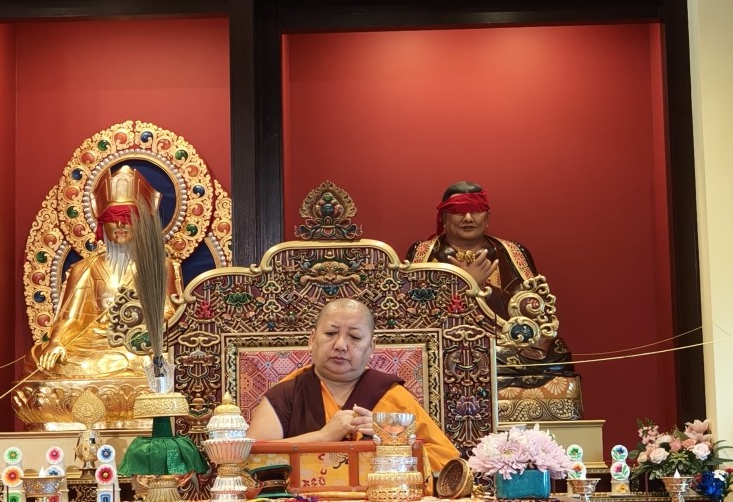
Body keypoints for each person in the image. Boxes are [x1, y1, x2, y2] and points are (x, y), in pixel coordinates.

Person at [246, 298, 459, 473]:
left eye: (355, 337)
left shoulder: (390, 395)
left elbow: (447, 464)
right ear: (312, 340)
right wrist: (322, 437)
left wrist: (393, 443)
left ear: (371, 347)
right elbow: (249, 459)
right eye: (330, 334)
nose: (340, 345)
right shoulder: (286, 395)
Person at [406, 180, 577, 396]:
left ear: (487, 217)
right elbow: (411, 309)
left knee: (558, 354)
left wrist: (483, 290)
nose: (468, 218)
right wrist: (465, 285)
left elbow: (533, 308)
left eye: (475, 210)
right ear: (444, 217)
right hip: (444, 343)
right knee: (438, 357)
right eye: (458, 211)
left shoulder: (512, 251)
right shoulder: (423, 253)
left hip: (503, 343)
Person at [27, 164, 182, 379]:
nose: (119, 224)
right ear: (101, 225)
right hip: (93, 344)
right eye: (112, 218)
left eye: (127, 217)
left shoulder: (159, 265)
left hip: (138, 342)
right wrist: (56, 342)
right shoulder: (85, 268)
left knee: (151, 360)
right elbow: (71, 317)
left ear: (141, 224)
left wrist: (137, 326)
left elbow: (171, 313)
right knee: (37, 360)